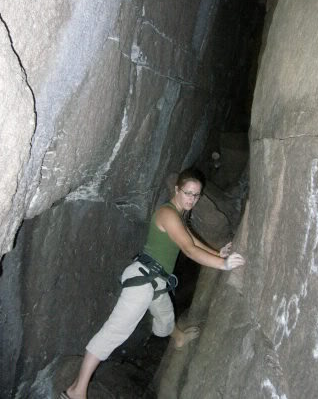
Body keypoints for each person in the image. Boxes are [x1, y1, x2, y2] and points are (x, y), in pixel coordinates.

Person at [61, 168, 245, 399]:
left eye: (196, 195)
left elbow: (190, 240)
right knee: (114, 333)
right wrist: (223, 264)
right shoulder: (168, 214)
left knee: (166, 319)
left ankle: (177, 338)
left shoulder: (177, 216)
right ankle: (76, 391)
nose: (191, 199)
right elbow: (189, 249)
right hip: (143, 281)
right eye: (187, 193)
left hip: (156, 284)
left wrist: (218, 253)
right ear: (177, 190)